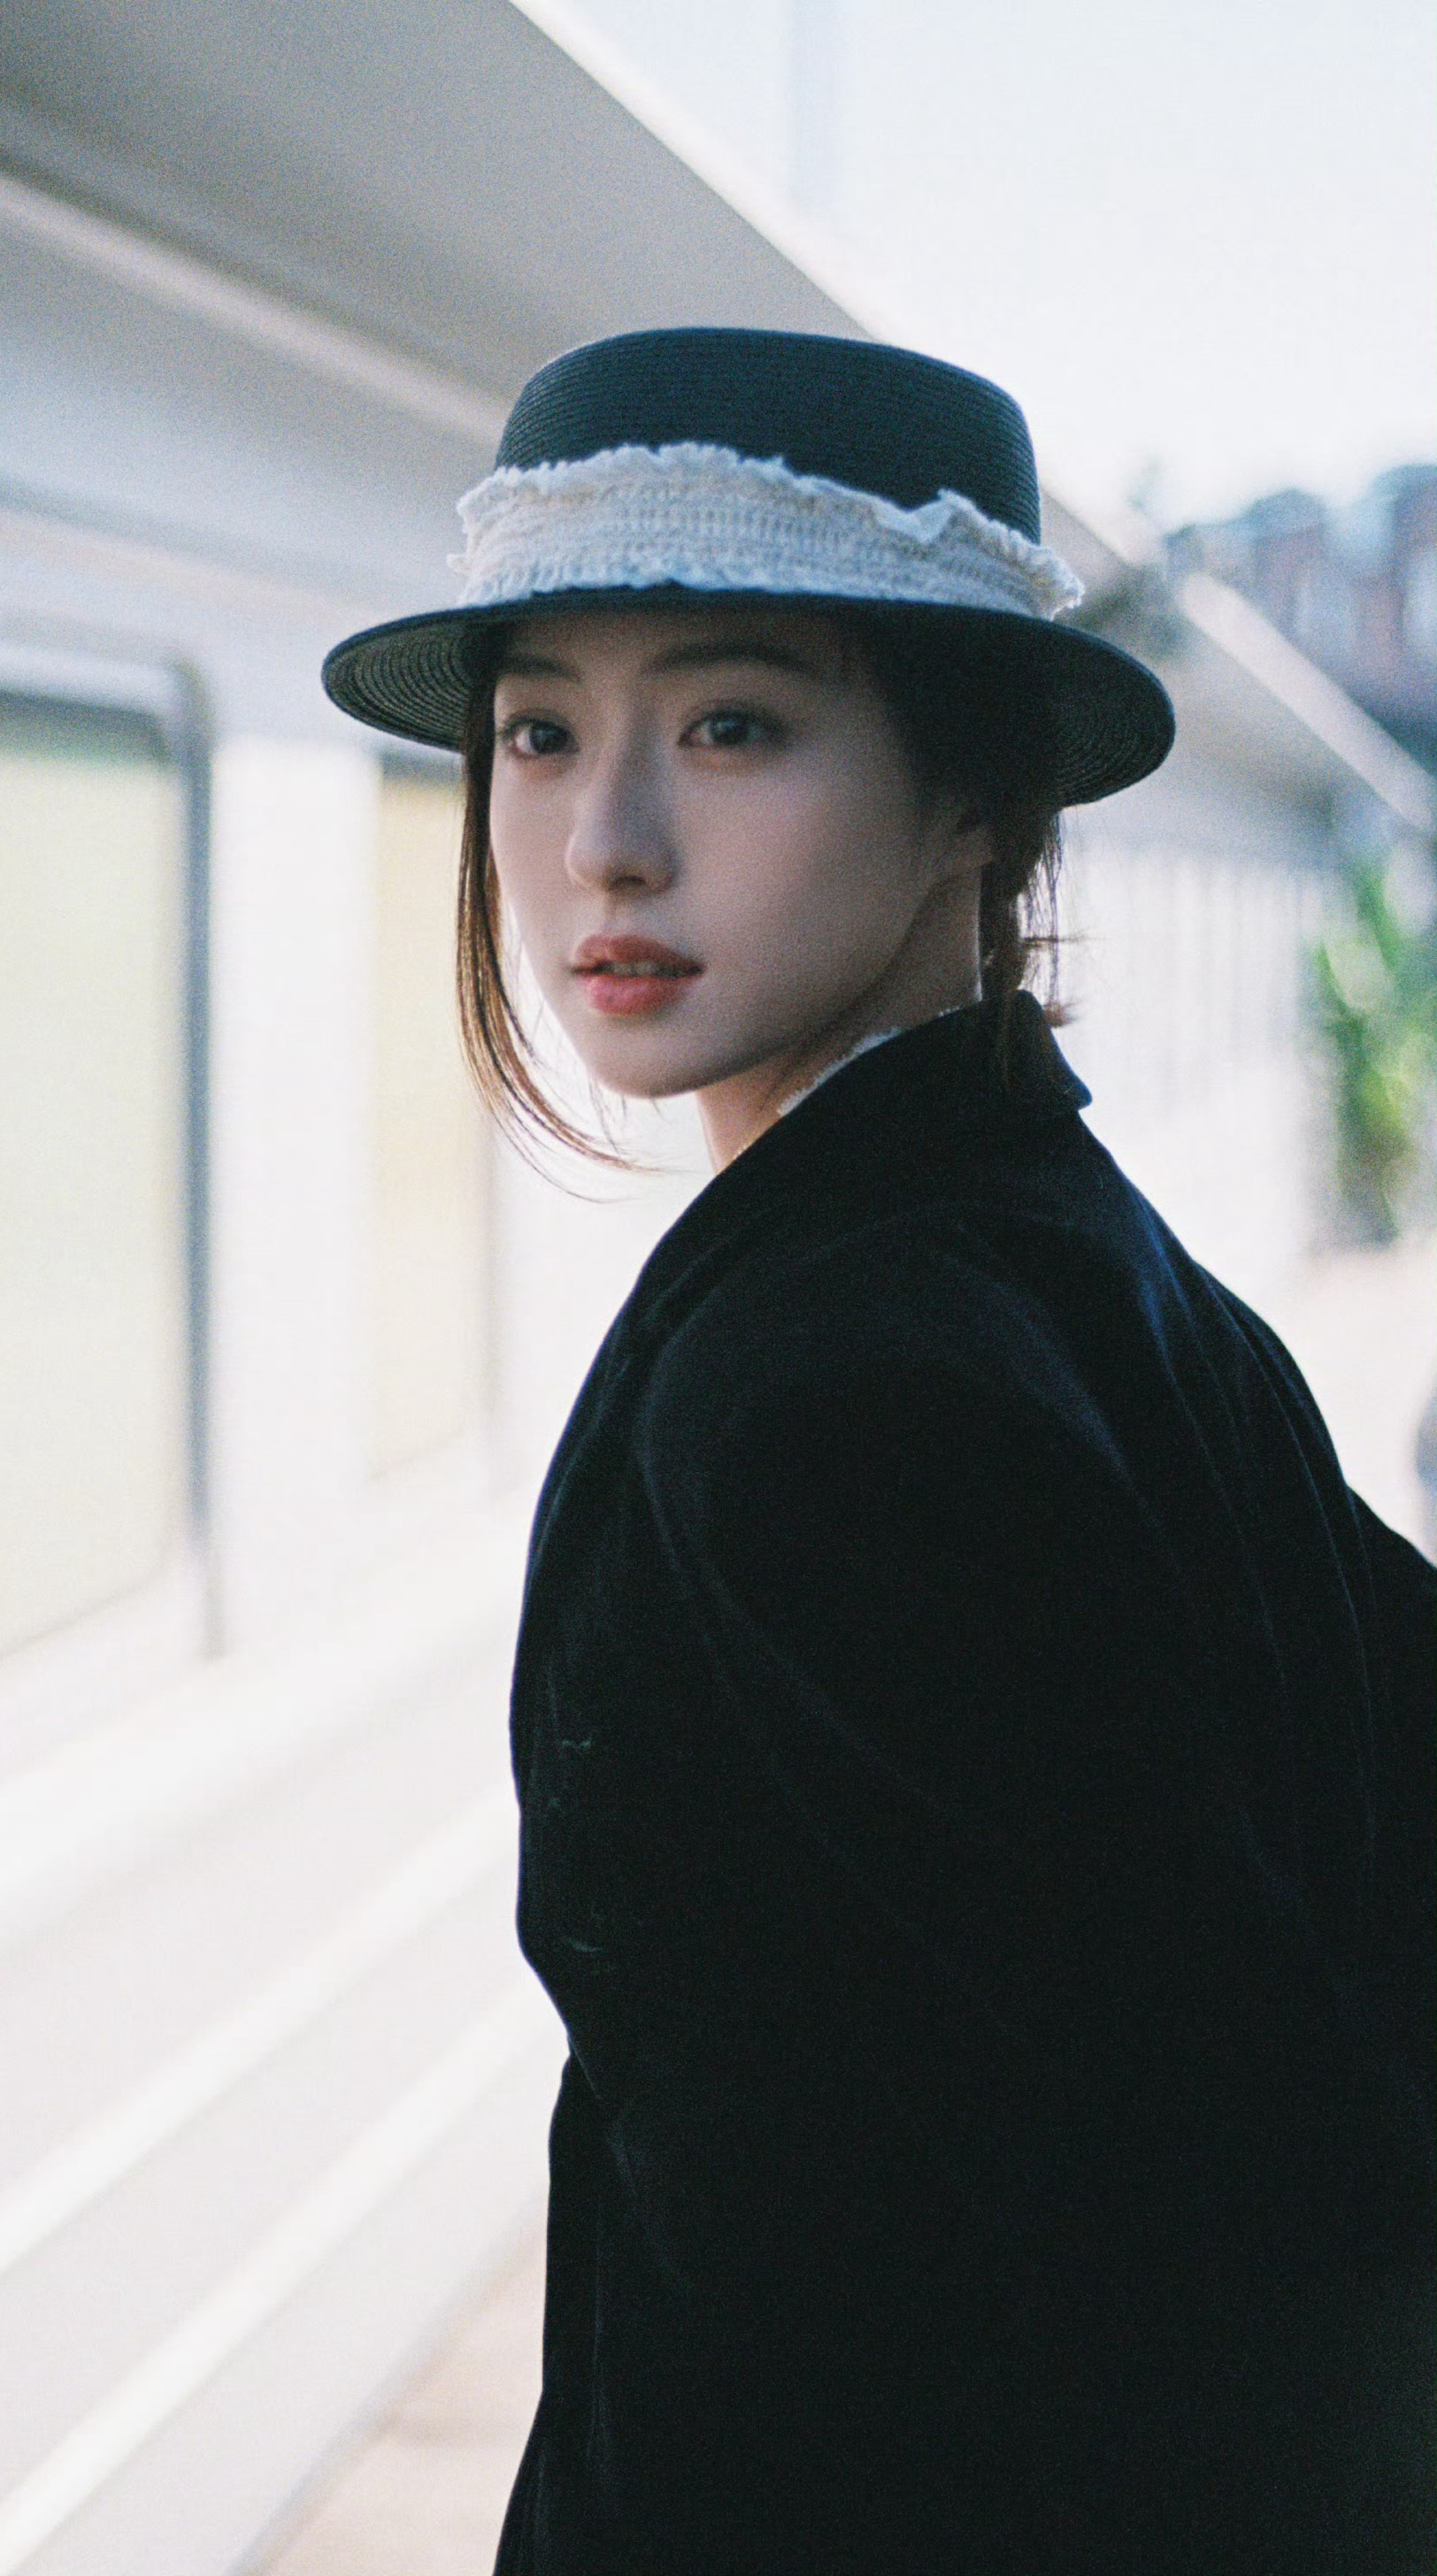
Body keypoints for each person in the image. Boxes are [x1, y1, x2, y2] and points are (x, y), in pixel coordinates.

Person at [323, 330, 1435, 2576]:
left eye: (732, 724)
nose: (602, 840)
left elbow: (1146, 2257)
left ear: (978, 799)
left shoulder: (836, 1397)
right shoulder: (1065, 1247)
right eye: (539, 731)